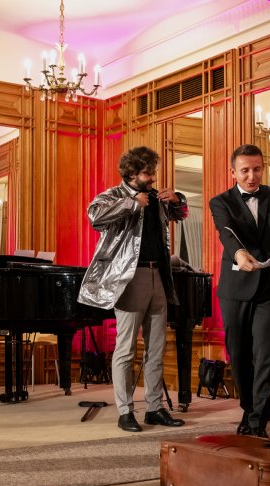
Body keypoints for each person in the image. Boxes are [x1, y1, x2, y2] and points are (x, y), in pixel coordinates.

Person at [78, 146, 188, 432]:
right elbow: (94, 216)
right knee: (125, 349)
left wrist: (177, 199)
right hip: (129, 278)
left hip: (158, 275)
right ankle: (125, 411)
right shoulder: (114, 195)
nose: (153, 178)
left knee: (157, 348)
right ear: (131, 173)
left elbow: (182, 213)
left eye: (153, 172)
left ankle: (154, 408)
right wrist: (131, 203)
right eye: (147, 173)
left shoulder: (155, 197)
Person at [208, 144, 270, 438]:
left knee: (266, 355)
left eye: (257, 169)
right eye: (245, 171)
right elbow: (226, 232)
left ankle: (257, 421)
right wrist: (239, 253)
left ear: (262, 168)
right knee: (239, 355)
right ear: (233, 172)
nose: (252, 176)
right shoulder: (220, 202)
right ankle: (249, 409)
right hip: (235, 287)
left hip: (269, 286)